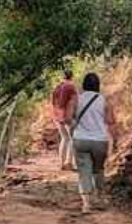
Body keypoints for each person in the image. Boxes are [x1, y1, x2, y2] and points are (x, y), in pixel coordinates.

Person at [70, 72, 118, 214]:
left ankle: (86, 205)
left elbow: (67, 118)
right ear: (98, 86)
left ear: (84, 85)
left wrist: (75, 126)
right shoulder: (104, 100)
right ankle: (101, 198)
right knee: (98, 170)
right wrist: (115, 140)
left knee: (84, 172)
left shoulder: (76, 99)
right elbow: (111, 122)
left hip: (81, 140)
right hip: (100, 141)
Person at [50, 70, 78, 170]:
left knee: (64, 138)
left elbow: (52, 103)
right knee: (72, 139)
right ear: (72, 76)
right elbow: (74, 102)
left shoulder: (57, 87)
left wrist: (56, 115)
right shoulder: (71, 86)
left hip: (57, 116)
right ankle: (69, 163)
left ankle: (62, 163)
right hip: (67, 116)